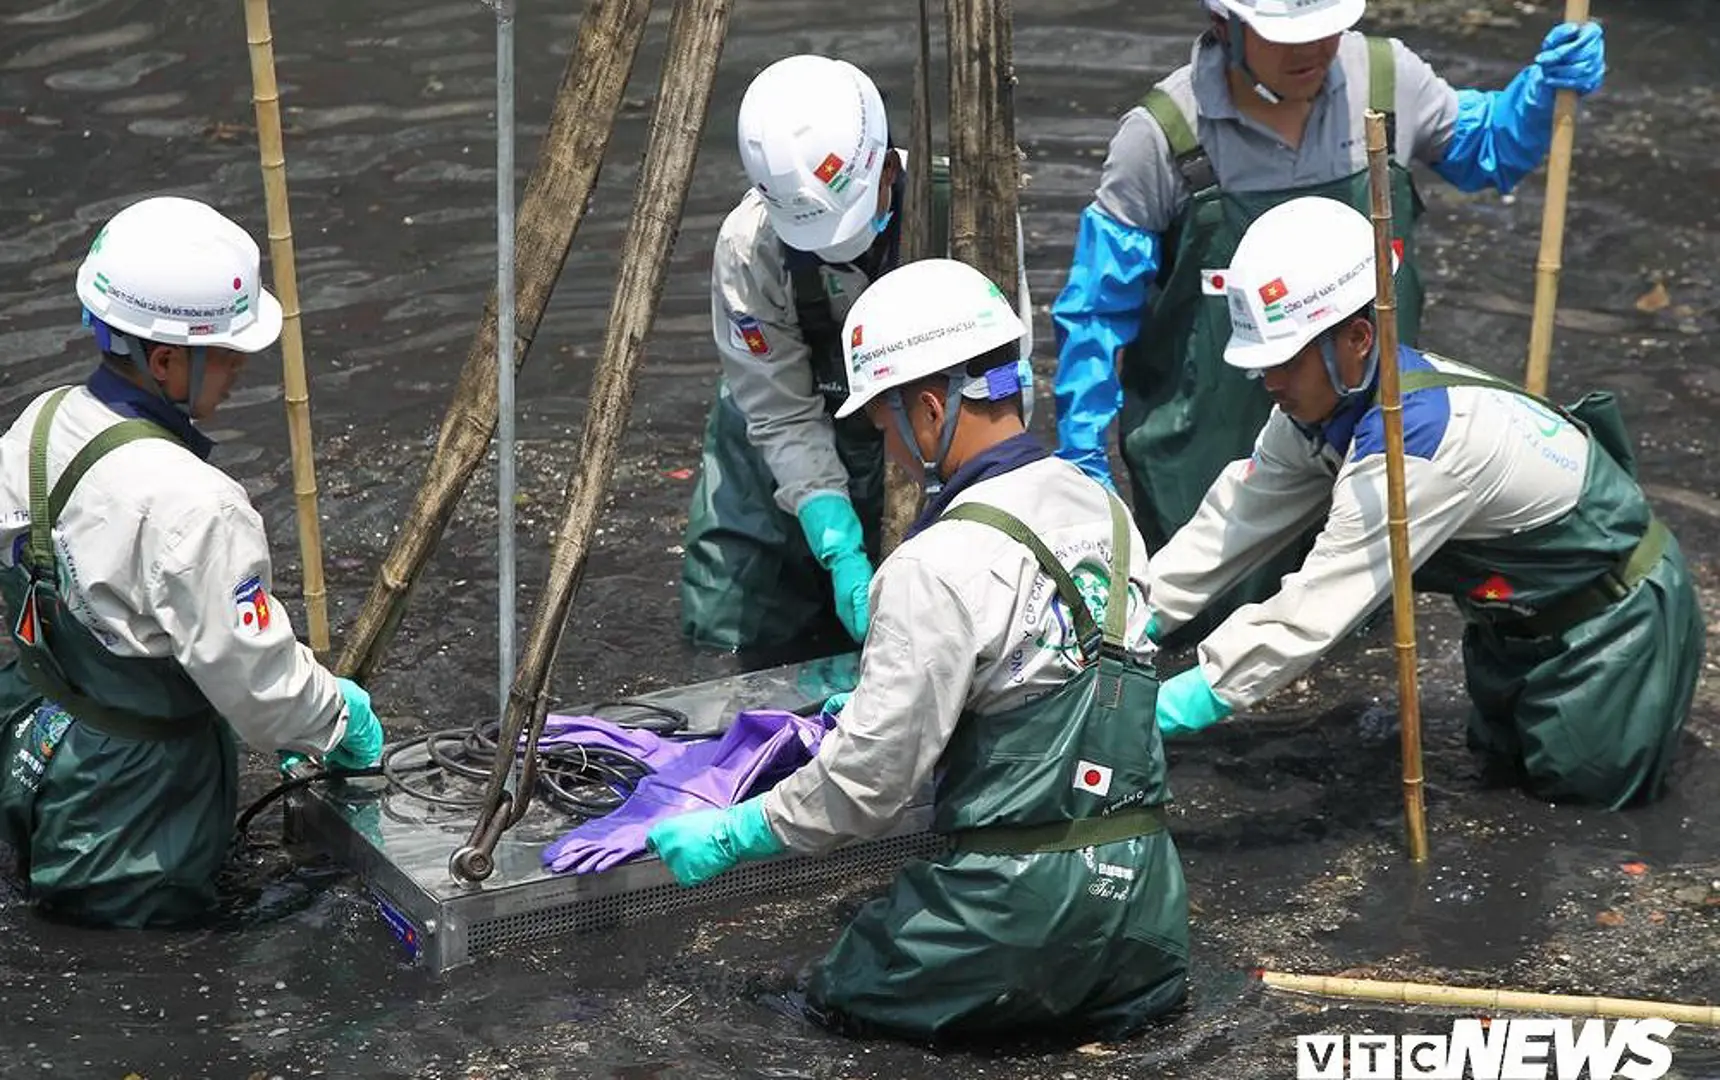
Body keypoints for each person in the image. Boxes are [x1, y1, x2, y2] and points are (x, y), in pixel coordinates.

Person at [649, 258, 1187, 1043]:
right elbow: (1044, 674)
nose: (895, 455)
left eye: (886, 428)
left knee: (826, 1000)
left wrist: (740, 831)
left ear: (929, 410)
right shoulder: (1106, 512)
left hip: (1015, 924)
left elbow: (868, 787)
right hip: (1147, 914)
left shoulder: (936, 563)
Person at [1051, 0, 1608, 646]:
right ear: (1224, 27)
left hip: (1360, 443)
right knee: (1181, 630)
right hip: (1203, 457)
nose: (1312, 51)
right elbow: (1094, 315)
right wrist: (1081, 462)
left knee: (1347, 631)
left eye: (1325, 29)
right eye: (1286, 36)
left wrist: (1538, 95)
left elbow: (1488, 149)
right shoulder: (1161, 138)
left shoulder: (1386, 83)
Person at [1148, 196, 1704, 810]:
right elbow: (1229, 527)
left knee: (1583, 820)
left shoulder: (1421, 446)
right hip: (1509, 622)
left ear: (1357, 338)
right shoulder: (1319, 407)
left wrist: (1163, 712)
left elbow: (1310, 612)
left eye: (1285, 362)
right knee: (1500, 783)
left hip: (1610, 625)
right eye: (1261, 367)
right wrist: (1123, 624)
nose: (1270, 383)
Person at [0, 195, 385, 927]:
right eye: (229, 353)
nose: (240, 370)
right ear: (167, 359)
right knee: (146, 981)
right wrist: (337, 720)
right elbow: (253, 677)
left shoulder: (42, 422)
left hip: (40, 746)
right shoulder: (197, 503)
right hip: (135, 801)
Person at [680, 53, 1033, 659]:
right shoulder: (750, 249)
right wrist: (838, 544)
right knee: (725, 636)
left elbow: (998, 380)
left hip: (921, 429)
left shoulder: (968, 218)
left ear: (890, 167)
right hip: (780, 437)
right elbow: (780, 412)